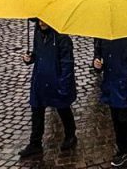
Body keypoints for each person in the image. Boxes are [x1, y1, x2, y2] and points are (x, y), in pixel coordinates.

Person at [19, 20, 77, 158]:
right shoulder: (38, 33)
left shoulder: (62, 38)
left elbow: (67, 64)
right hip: (40, 79)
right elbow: (37, 54)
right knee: (37, 110)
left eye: (44, 21)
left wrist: (64, 85)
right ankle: (35, 143)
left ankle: (70, 135)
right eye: (39, 20)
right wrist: (30, 58)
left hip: (56, 80)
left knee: (63, 108)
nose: (41, 23)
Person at [94, 36, 127, 167]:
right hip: (111, 85)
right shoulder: (102, 35)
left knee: (125, 119)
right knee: (116, 121)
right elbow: (99, 55)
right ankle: (123, 149)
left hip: (125, 85)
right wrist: (97, 64)